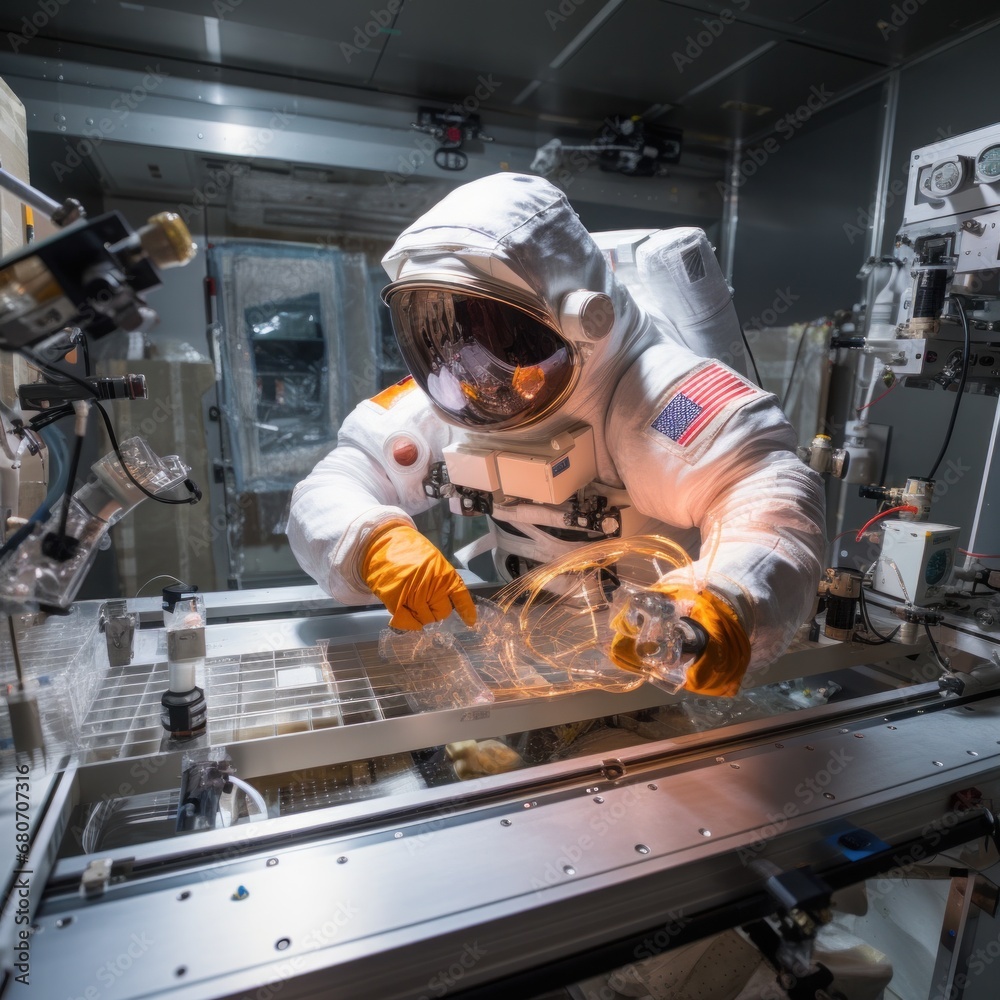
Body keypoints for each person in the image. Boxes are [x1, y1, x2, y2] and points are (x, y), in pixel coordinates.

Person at [287, 172, 826, 696]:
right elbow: (336, 480)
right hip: (517, 643)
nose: (474, 369)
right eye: (444, 336)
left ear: (579, 320)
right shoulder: (458, 390)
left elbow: (768, 497)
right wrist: (371, 539)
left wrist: (717, 603)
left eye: (499, 340)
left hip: (657, 656)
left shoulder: (658, 393)